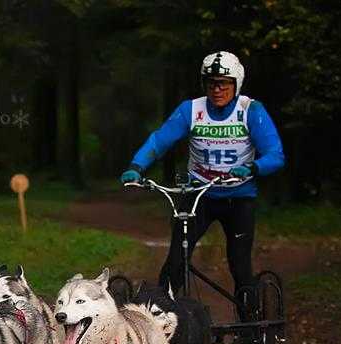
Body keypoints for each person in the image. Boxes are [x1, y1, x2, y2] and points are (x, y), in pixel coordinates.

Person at [120, 51, 285, 322]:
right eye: (211, 83)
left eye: (223, 83)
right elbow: (160, 140)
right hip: (199, 197)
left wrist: (254, 167)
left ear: (236, 84)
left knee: (240, 264)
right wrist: (136, 166)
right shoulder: (191, 110)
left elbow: (275, 155)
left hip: (239, 197)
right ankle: (159, 325)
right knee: (175, 262)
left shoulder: (251, 110)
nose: (217, 89)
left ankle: (250, 326)